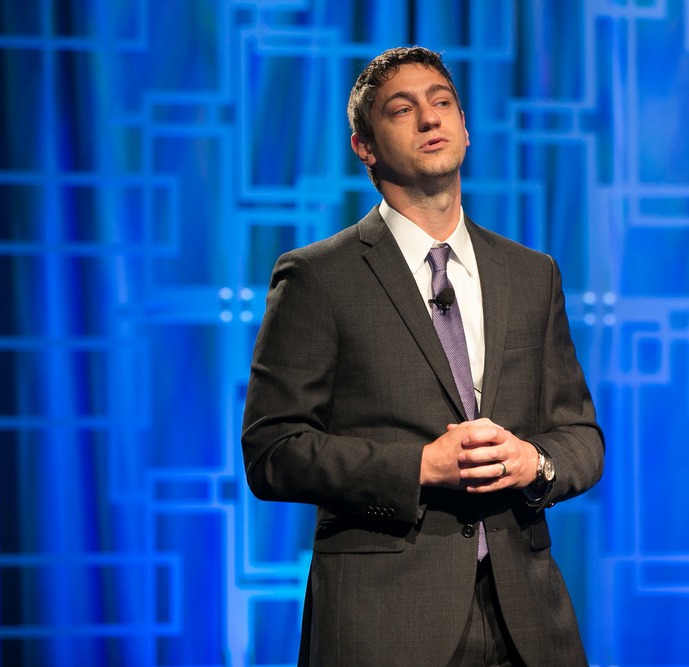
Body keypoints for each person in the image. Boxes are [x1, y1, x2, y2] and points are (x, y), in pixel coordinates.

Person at [241, 46, 604, 667]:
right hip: (384, 622)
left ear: (465, 126)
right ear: (364, 146)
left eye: (442, 103)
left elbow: (582, 437)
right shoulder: (317, 278)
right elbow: (273, 452)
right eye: (402, 109)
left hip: (527, 619)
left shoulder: (531, 274)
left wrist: (533, 461)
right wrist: (419, 467)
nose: (430, 118)